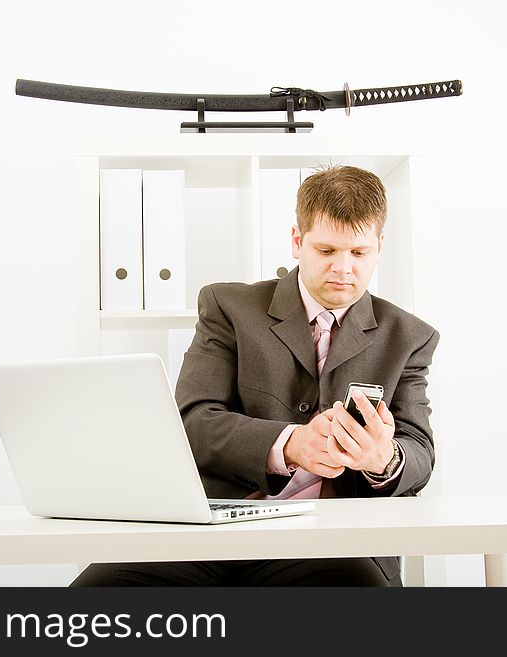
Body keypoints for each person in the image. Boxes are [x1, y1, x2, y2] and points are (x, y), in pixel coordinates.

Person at [71, 165, 439, 586]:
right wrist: (290, 443)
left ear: (379, 246)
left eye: (358, 253)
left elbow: (419, 452)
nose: (343, 269)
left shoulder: (409, 337)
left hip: (330, 544)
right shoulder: (228, 306)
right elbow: (193, 421)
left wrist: (383, 459)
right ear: (297, 242)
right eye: (326, 251)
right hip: (209, 531)